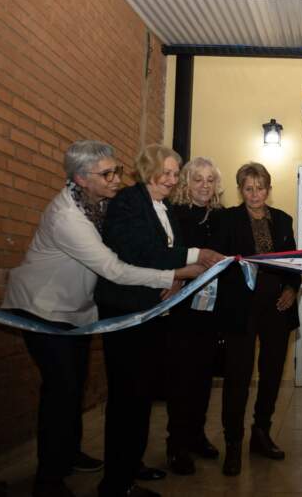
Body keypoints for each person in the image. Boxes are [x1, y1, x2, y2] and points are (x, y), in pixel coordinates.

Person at [2, 140, 204, 497]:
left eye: (117, 171)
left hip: (77, 310)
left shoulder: (102, 204)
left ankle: (68, 455)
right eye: (107, 174)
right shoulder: (68, 216)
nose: (116, 179)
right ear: (81, 178)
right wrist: (175, 276)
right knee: (61, 392)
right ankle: (48, 481)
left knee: (73, 388)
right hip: (43, 308)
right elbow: (114, 268)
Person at [94, 144, 222, 497]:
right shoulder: (129, 202)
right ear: (148, 170)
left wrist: (177, 277)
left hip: (151, 313)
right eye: (165, 172)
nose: (171, 179)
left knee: (141, 397)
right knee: (127, 399)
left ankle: (130, 467)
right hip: (126, 313)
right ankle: (116, 484)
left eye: (174, 173)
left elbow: (165, 258)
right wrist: (197, 256)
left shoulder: (161, 207)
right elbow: (140, 252)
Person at [211, 162, 300, 476]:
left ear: (268, 189)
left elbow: (293, 264)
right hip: (240, 311)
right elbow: (217, 265)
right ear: (241, 190)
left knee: (272, 375)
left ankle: (261, 434)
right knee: (237, 379)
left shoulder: (284, 220)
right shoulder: (227, 220)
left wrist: (292, 288)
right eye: (248, 188)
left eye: (260, 187)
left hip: (277, 309)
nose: (254, 194)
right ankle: (233, 444)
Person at [164, 157, 225, 475]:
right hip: (181, 308)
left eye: (210, 179)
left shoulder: (221, 216)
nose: (204, 185)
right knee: (181, 378)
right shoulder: (174, 215)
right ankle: (176, 445)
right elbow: (168, 255)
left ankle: (196, 435)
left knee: (204, 377)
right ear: (186, 183)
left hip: (212, 311)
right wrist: (176, 276)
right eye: (198, 179)